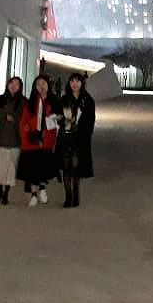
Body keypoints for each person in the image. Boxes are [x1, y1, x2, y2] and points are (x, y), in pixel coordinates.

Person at [55, 73, 95, 209]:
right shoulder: (64, 99)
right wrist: (63, 120)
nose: (75, 84)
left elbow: (90, 121)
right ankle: (68, 196)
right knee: (66, 168)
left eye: (78, 81)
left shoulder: (87, 100)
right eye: (72, 81)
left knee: (75, 168)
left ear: (82, 83)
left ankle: (76, 195)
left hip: (79, 139)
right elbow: (58, 117)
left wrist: (80, 128)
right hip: (66, 137)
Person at [17, 75, 59, 206]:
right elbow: (23, 122)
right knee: (32, 170)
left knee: (42, 168)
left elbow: (58, 119)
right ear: (35, 87)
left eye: (44, 84)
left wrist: (56, 119)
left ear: (48, 85)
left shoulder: (54, 101)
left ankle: (42, 188)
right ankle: (34, 194)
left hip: (46, 140)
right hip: (31, 141)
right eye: (38, 84)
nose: (41, 87)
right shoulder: (30, 103)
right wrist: (26, 133)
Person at [0, 76, 25, 205]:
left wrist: (15, 118)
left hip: (16, 139)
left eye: (17, 84)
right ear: (8, 84)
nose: (14, 86)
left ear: (20, 88)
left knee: (11, 168)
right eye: (12, 83)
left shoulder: (23, 101)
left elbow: (25, 119)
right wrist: (4, 116)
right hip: (0, 138)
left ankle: (6, 194)